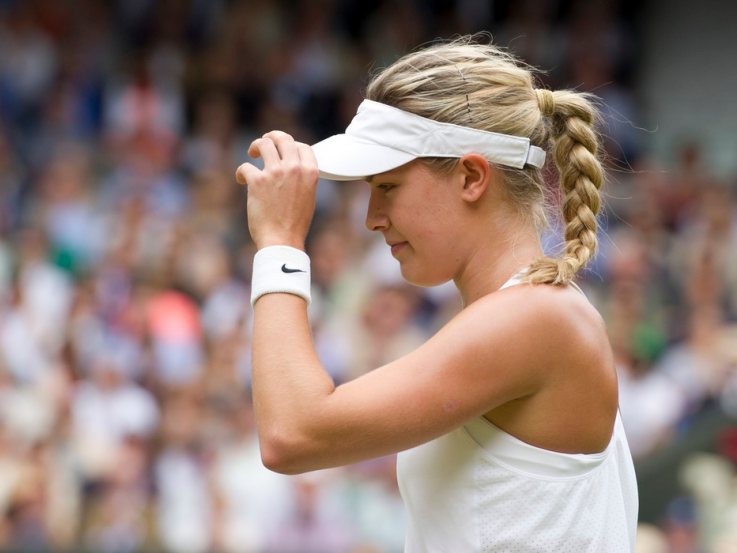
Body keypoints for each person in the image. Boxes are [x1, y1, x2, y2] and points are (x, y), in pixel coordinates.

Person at [235, 38, 639, 552]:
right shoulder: (531, 313)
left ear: (471, 176)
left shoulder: (537, 317)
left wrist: (280, 244)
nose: (371, 219)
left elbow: (292, 433)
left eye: (387, 187)